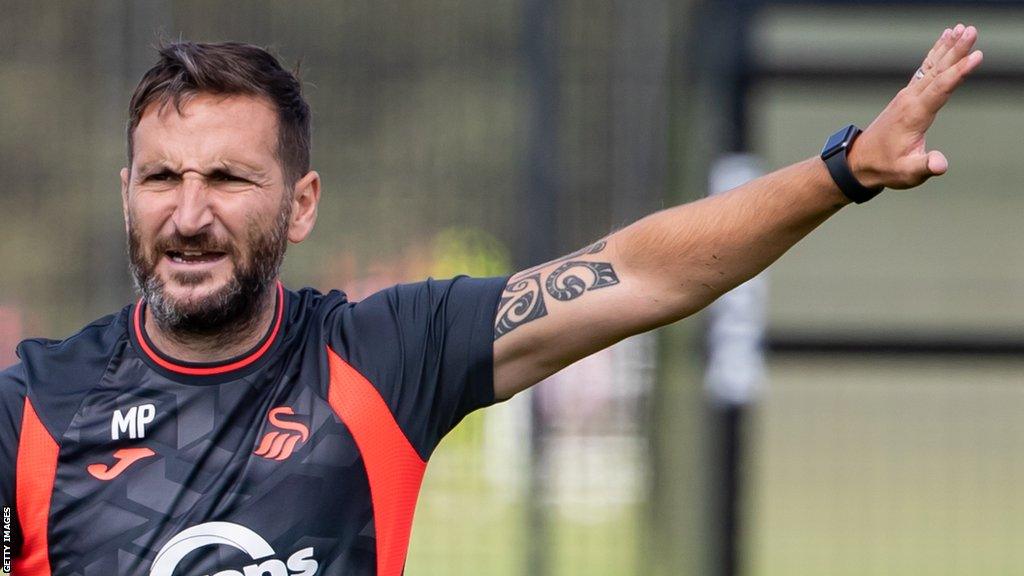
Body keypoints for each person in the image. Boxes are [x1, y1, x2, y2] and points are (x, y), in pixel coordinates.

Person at [0, 25, 982, 576]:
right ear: (126, 193)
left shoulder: (381, 355)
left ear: (301, 206)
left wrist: (842, 169)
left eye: (228, 180)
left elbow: (639, 271)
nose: (190, 213)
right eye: (161, 178)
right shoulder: (39, 403)